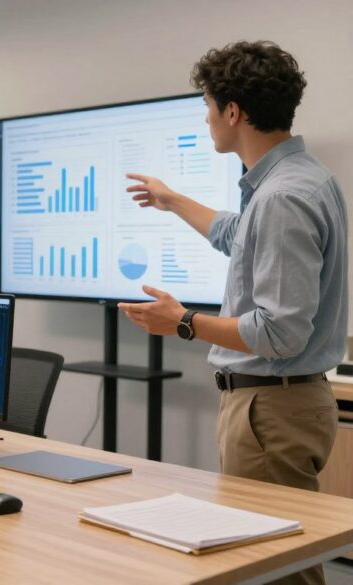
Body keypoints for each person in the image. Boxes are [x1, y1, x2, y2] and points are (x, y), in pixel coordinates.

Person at [118, 41, 346, 585]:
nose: (206, 118)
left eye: (208, 106)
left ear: (234, 112)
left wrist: (183, 322)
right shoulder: (299, 179)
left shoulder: (282, 197)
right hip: (278, 406)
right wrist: (172, 200)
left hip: (271, 411)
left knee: (276, 571)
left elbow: (279, 332)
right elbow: (236, 234)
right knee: (281, 564)